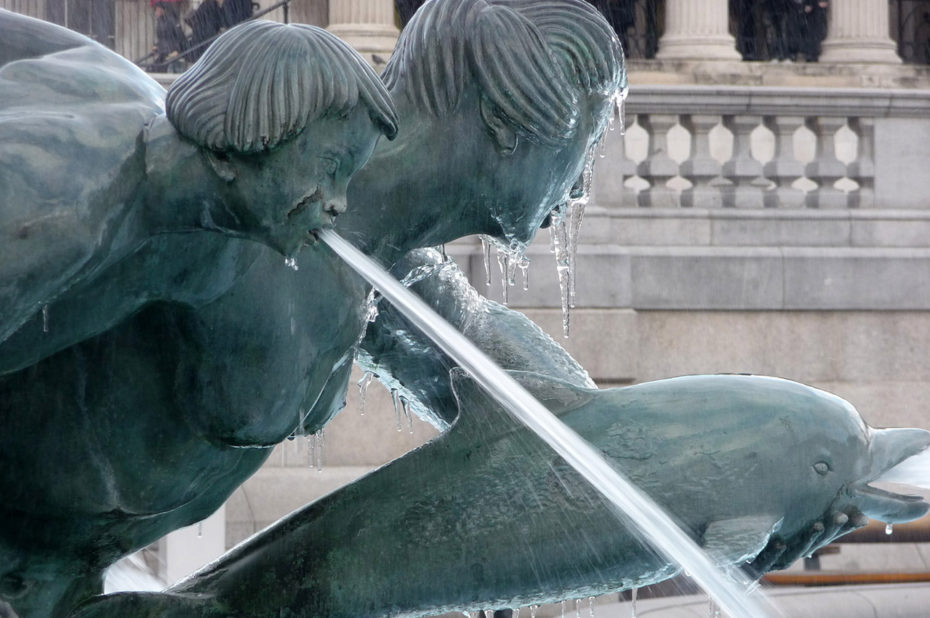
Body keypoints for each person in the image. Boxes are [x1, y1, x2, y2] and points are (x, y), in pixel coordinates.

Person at [2, 1, 868, 616]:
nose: (578, 190)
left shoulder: (390, 279)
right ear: (511, 129)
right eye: (586, 145)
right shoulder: (232, 193)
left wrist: (750, 498)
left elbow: (566, 433)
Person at [0, 12, 396, 616]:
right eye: (330, 169)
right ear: (247, 139)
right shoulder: (69, 212)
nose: (339, 204)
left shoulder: (153, 197)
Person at [152, 0, 187, 71]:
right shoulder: (160, 21)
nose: (157, 11)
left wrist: (177, 50)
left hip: (171, 51)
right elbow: (162, 37)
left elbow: (180, 36)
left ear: (163, 10)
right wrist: (157, 45)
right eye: (156, 9)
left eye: (158, 9)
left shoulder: (171, 20)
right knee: (153, 69)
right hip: (164, 51)